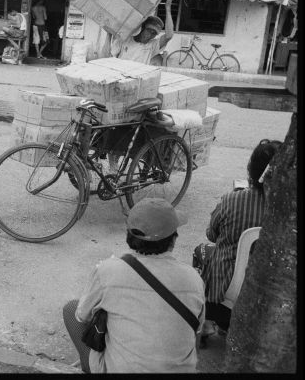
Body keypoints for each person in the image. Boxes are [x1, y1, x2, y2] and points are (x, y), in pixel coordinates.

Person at [63, 198, 205, 373]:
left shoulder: (108, 270)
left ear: (129, 235)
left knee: (71, 309)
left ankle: (89, 367)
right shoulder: (193, 278)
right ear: (172, 240)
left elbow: (81, 315)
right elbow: (195, 335)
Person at [193, 138, 282, 335]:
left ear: (252, 170)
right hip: (270, 295)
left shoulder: (232, 200)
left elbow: (211, 234)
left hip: (225, 295)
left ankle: (207, 321)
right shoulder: (288, 212)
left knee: (203, 251)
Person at [101, 0, 174, 65]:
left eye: (154, 33)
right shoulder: (125, 39)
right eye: (149, 30)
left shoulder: (151, 45)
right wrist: (109, 33)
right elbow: (106, 58)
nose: (150, 35)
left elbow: (169, 35)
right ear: (142, 28)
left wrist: (168, 8)